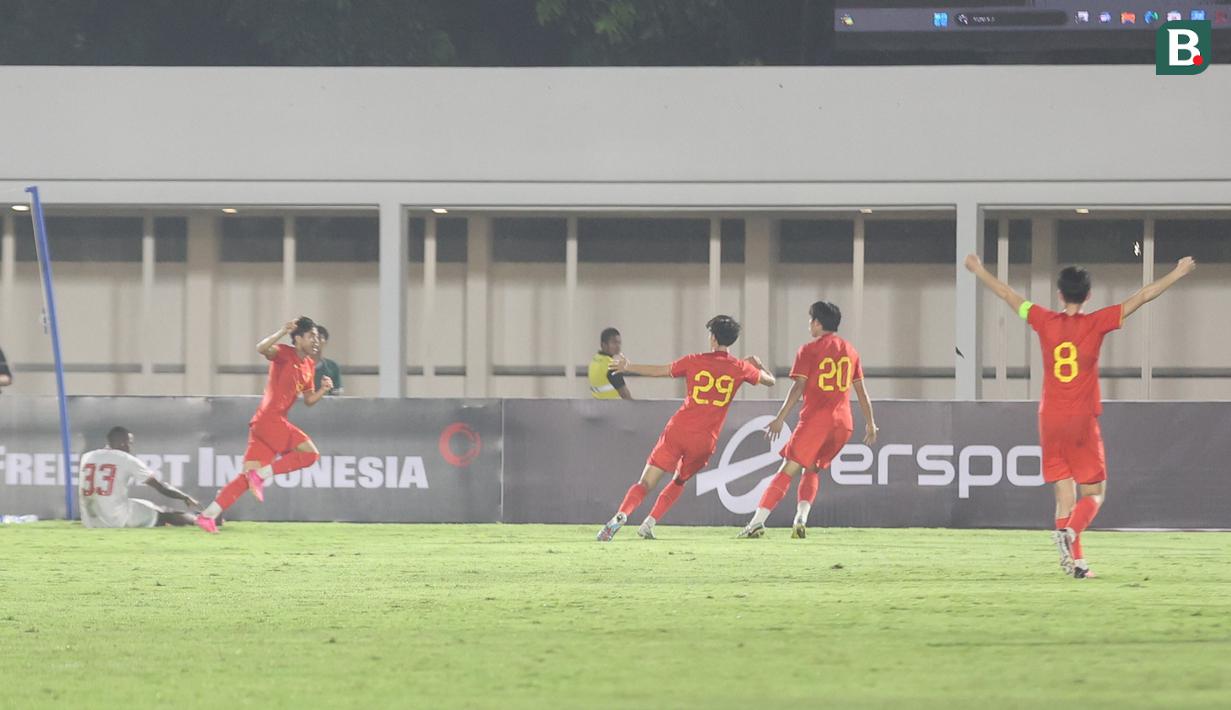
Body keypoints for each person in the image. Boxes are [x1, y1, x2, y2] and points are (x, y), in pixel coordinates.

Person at [966, 253, 1197, 578]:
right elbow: (1143, 296)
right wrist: (1178, 272)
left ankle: (1076, 564)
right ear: (1088, 295)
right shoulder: (1097, 322)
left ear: (1060, 294)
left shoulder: (1042, 319)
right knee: (1094, 493)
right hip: (1081, 419)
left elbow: (1008, 294)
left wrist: (978, 270)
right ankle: (1069, 533)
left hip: (1049, 418)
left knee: (1064, 493)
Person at [596, 315, 776, 541]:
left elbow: (659, 371)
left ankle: (621, 516)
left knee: (645, 482)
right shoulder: (741, 368)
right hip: (704, 441)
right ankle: (648, 524)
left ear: (712, 338)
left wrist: (628, 366)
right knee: (679, 480)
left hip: (679, 430)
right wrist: (758, 365)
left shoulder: (694, 361)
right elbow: (771, 381)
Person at [738, 301, 878, 539]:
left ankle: (756, 523)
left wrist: (780, 418)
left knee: (787, 469)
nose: (809, 324)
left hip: (816, 421)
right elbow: (861, 391)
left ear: (817, 322)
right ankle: (801, 518)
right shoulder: (850, 351)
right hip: (843, 424)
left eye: (810, 320)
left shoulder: (809, 350)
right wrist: (870, 423)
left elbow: (798, 387)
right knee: (811, 468)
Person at [196, 317, 333, 534]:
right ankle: (261, 475)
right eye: (311, 336)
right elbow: (262, 348)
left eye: (317, 337)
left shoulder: (308, 365)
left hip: (266, 424)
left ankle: (207, 516)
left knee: (245, 478)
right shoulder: (284, 354)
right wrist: (281, 331)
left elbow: (308, 401)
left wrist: (323, 390)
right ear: (298, 339)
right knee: (310, 455)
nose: (316, 341)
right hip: (271, 420)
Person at [79, 427, 200, 528]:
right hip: (116, 519)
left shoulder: (87, 456)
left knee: (144, 504)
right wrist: (185, 497)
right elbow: (161, 487)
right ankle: (199, 521)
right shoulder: (126, 459)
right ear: (123, 444)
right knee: (163, 513)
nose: (130, 447)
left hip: (90, 521)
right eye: (129, 443)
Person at [588, 327, 632, 400]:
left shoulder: (594, 360)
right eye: (614, 342)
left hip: (597, 406)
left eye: (619, 343)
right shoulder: (611, 366)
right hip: (613, 407)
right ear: (604, 345)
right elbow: (625, 395)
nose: (618, 346)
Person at [313, 325, 344, 395]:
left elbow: (336, 394)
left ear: (325, 342)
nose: (315, 342)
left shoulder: (332, 367)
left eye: (319, 338)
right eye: (312, 338)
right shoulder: (298, 366)